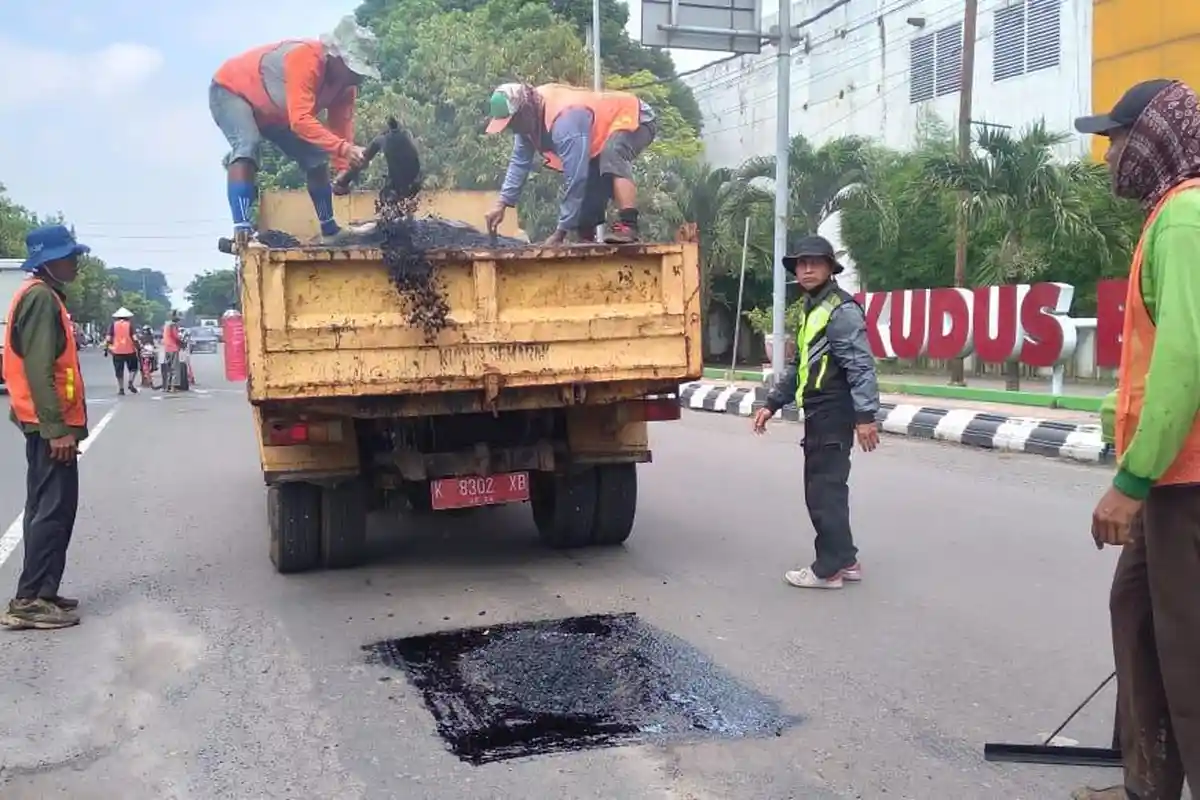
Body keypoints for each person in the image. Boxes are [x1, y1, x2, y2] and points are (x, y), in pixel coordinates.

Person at [1071, 78, 1200, 800]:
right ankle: (1146, 785)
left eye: (1118, 138)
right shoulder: (1171, 215)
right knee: (1140, 618)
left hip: (1186, 480)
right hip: (1169, 475)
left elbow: (1187, 358)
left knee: (1188, 650)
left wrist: (1134, 478)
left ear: (1152, 138)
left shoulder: (1185, 217)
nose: (1111, 153)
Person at [752, 235, 881, 590]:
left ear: (829, 268)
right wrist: (772, 403)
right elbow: (799, 366)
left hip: (833, 410)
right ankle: (847, 559)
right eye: (801, 263)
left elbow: (860, 366)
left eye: (815, 262)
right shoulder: (814, 308)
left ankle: (828, 570)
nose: (806, 268)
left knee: (822, 492)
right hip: (821, 410)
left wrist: (866, 417)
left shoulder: (840, 310)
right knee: (830, 489)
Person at [210, 16, 380, 245]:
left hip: (278, 110)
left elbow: (341, 129)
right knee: (247, 144)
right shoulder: (306, 58)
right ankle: (242, 231)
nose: (357, 77)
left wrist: (343, 169)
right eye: (354, 69)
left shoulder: (347, 87)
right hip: (233, 91)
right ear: (337, 56)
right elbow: (300, 120)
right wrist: (345, 149)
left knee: (316, 157)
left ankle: (330, 231)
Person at [0, 225, 91, 631]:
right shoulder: (40, 298)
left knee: (49, 507)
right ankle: (30, 600)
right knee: (51, 511)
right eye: (69, 255)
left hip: (43, 422)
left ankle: (43, 590)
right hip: (48, 426)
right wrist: (56, 429)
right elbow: (39, 368)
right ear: (49, 261)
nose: (75, 261)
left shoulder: (42, 295)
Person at [483, 82, 657, 245]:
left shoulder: (565, 119)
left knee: (612, 153)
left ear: (524, 110)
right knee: (591, 177)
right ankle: (587, 237)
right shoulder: (527, 124)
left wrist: (561, 232)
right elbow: (519, 163)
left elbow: (575, 177)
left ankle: (628, 225)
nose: (513, 129)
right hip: (599, 135)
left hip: (634, 116)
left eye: (513, 122)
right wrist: (502, 204)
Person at [104, 307, 139, 396]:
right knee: (133, 368)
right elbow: (135, 338)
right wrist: (138, 347)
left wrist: (106, 348)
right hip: (130, 350)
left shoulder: (113, 325)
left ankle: (121, 389)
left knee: (119, 371)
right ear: (127, 317)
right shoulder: (130, 325)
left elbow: (108, 338)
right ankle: (130, 381)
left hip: (117, 351)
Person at [162, 311, 182, 393]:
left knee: (168, 368)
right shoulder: (173, 325)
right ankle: (173, 387)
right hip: (173, 348)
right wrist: (181, 343)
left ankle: (167, 387)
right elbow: (176, 337)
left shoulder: (166, 325)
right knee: (175, 368)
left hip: (167, 348)